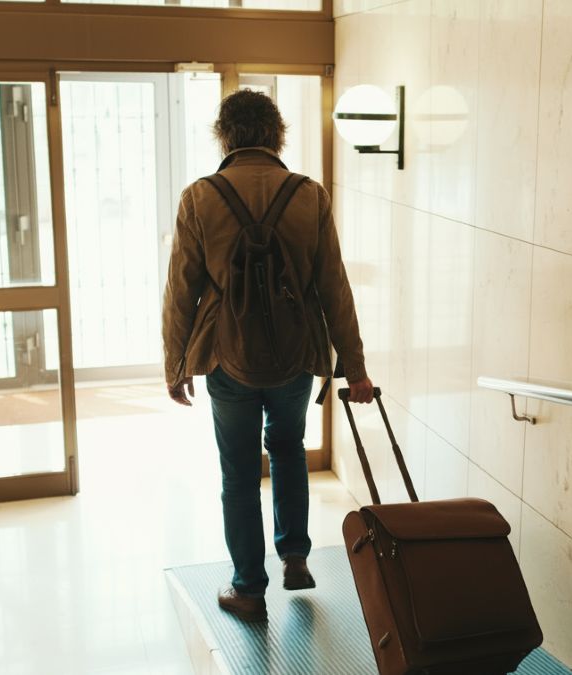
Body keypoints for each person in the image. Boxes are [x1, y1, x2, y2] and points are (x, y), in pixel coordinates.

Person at [162, 89, 374, 623]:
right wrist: (356, 366)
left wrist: (176, 364)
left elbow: (180, 291)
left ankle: (248, 589)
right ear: (276, 134)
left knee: (238, 475)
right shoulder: (309, 195)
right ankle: (296, 556)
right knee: (287, 450)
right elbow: (335, 288)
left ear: (225, 136)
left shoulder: (199, 197)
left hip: (225, 359)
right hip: (296, 356)